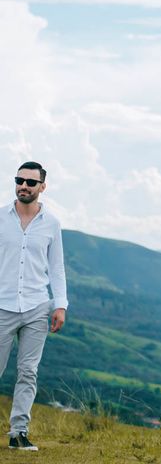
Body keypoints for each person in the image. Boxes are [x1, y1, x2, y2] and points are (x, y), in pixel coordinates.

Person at [0, 162, 68, 451]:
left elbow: (57, 268)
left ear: (42, 186)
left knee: (28, 372)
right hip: (2, 305)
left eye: (30, 182)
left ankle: (18, 433)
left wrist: (60, 304)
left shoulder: (51, 223)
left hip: (38, 306)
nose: (23, 186)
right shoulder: (1, 218)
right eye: (19, 180)